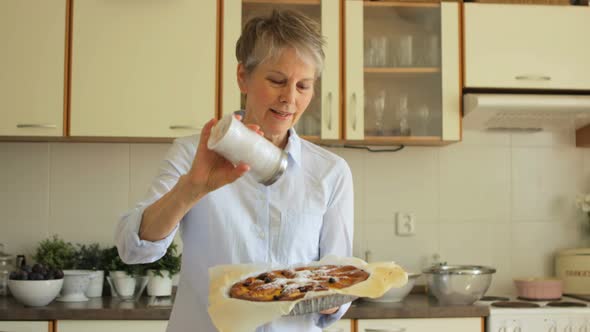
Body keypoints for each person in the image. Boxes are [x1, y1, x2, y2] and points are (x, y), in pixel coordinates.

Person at [115, 9, 353, 332]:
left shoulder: (330, 173)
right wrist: (193, 187)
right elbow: (133, 250)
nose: (290, 99)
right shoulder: (193, 153)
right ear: (242, 76)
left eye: (304, 86)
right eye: (277, 81)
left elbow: (336, 288)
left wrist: (338, 295)